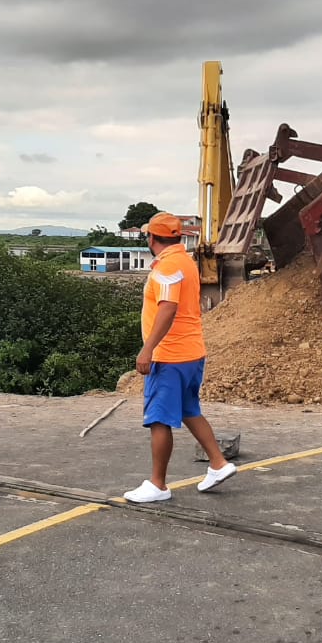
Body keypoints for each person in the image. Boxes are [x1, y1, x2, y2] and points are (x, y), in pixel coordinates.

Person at [123, 212, 238, 503]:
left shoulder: (167, 266)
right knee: (189, 410)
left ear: (151, 238)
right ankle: (218, 463)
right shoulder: (185, 262)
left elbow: (168, 308)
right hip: (191, 353)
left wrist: (148, 349)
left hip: (169, 356)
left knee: (159, 419)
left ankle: (158, 485)